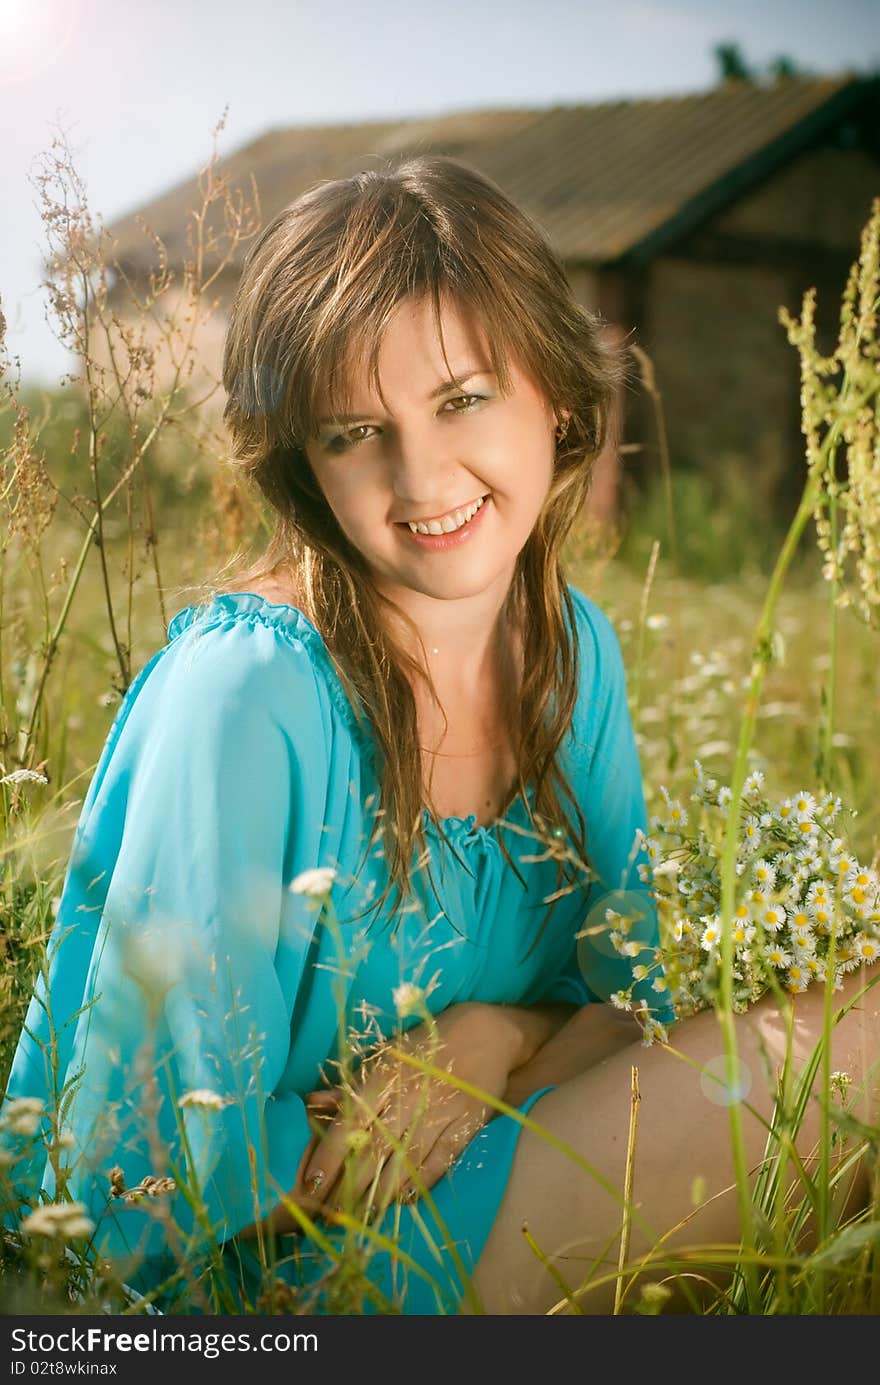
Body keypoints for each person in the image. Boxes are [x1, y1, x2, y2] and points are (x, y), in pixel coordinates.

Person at [2, 156, 877, 1318]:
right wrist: (484, 1093)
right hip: (259, 1278)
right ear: (305, 465)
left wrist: (489, 1037)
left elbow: (629, 993)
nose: (420, 478)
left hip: (478, 1159)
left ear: (557, 399)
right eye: (355, 431)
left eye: (462, 399)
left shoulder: (574, 650)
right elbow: (151, 1182)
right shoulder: (249, 690)